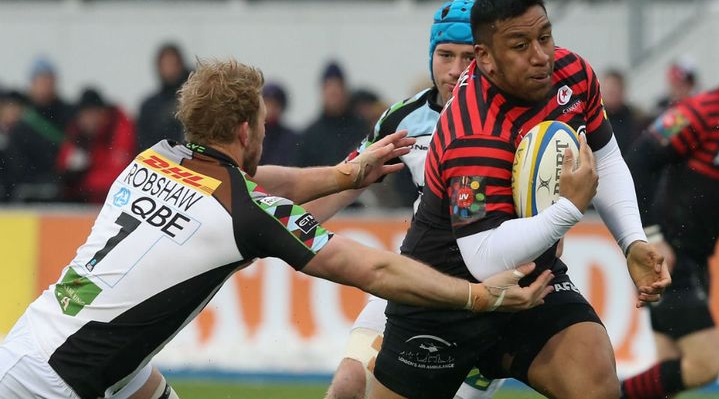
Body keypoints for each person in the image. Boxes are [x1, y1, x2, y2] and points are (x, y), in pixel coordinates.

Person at [0, 58, 554, 399]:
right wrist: (479, 296)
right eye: (262, 122)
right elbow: (374, 268)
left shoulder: (155, 156)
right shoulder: (246, 212)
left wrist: (344, 173)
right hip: (60, 381)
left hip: (36, 342)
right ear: (246, 128)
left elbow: (263, 180)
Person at [369, 0, 670, 399]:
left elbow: (604, 156)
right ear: (485, 58)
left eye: (544, 36)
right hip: (442, 294)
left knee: (596, 383)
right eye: (520, 45)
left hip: (534, 280)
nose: (541, 55)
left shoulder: (573, 75)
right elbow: (483, 257)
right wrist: (568, 207)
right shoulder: (471, 128)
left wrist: (632, 242)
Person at [311, 0, 506, 399]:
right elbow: (348, 182)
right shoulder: (402, 118)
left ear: (486, 58)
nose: (454, 69)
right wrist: (273, 226)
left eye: (468, 56)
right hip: (414, 281)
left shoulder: (513, 119)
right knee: (347, 385)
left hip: (486, 297)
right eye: (445, 55)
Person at [621, 20, 719, 399]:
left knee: (668, 375)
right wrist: (651, 239)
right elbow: (637, 162)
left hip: (699, 260)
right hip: (667, 256)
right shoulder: (700, 112)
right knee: (706, 362)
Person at [6, 57, 75, 201]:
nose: (46, 85)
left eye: (49, 80)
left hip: (57, 182)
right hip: (24, 184)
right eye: (42, 80)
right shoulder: (21, 112)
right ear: (32, 83)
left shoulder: (67, 113)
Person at [56, 88, 136, 204]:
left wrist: (82, 183)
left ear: (103, 113)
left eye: (92, 114)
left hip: (118, 202)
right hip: (85, 203)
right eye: (84, 115)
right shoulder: (77, 134)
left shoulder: (120, 129)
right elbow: (62, 167)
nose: (89, 120)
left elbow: (119, 178)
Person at [296, 61, 369, 167]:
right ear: (322, 90)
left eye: (338, 86)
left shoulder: (361, 128)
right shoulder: (310, 136)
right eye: (329, 87)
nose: (333, 92)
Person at [136, 43, 189, 151]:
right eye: (166, 64)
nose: (170, 69)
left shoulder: (193, 99)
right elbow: (143, 143)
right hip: (159, 161)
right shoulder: (149, 106)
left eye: (173, 64)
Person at [601, 69, 645, 155]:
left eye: (614, 89)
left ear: (623, 90)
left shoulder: (636, 117)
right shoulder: (596, 121)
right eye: (608, 89)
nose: (611, 92)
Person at [259, 82, 299, 166]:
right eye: (267, 104)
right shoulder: (253, 137)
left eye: (275, 105)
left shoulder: (291, 138)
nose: (270, 110)